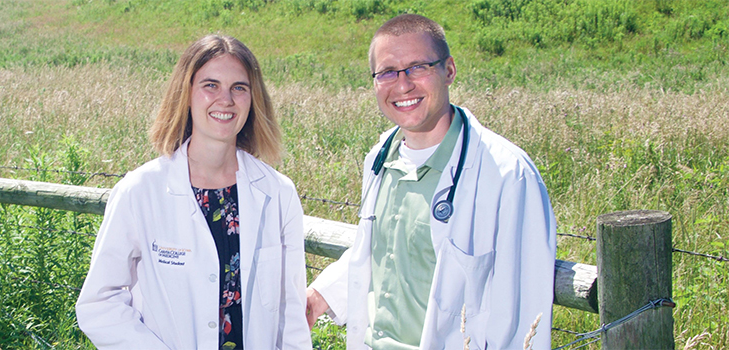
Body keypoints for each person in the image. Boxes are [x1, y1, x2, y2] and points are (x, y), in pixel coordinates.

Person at [306, 14, 557, 349]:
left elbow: (526, 309)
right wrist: (319, 296)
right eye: (387, 72)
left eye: (418, 67)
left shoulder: (508, 174)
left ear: (449, 70)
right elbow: (378, 252)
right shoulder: (381, 156)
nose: (403, 84)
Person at [75, 34, 311, 350]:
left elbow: (291, 314)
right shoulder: (140, 192)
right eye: (210, 85)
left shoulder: (278, 194)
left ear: (253, 100)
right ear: (186, 94)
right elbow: (99, 303)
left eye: (239, 88)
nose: (225, 100)